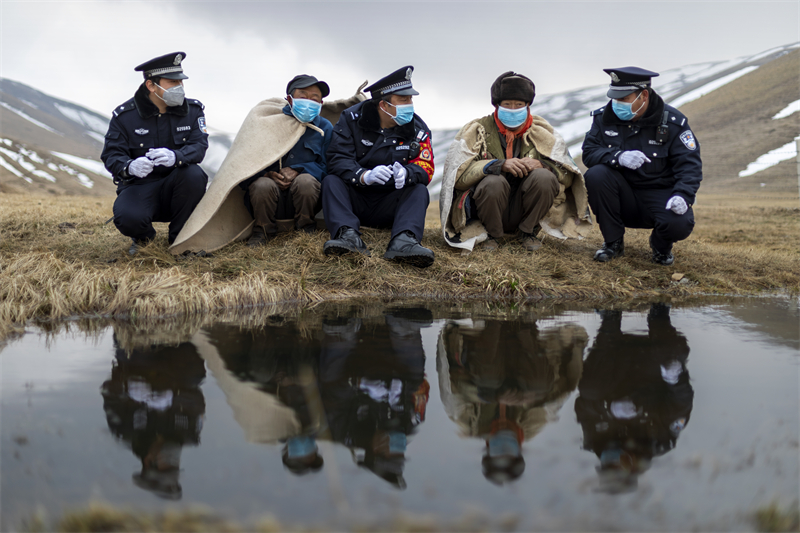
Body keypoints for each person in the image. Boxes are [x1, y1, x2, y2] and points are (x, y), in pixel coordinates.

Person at [581, 67, 702, 265]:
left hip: (660, 194)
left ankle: (661, 247)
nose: (617, 104)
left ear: (643, 95)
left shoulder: (673, 122)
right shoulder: (604, 118)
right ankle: (613, 244)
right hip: (621, 193)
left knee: (680, 224)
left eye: (624, 99)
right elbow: (589, 152)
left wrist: (683, 195)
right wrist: (617, 156)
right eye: (615, 98)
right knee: (596, 175)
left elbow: (690, 165)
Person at [321, 66, 435, 267]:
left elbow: (426, 166)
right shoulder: (350, 119)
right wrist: (362, 175)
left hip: (391, 204)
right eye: (403, 100)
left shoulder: (418, 129)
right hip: (356, 200)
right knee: (331, 181)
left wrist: (408, 173)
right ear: (383, 104)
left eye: (410, 99)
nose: (410, 105)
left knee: (418, 189)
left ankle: (404, 240)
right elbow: (337, 158)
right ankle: (347, 235)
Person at [574, 304, 694, 493]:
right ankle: (659, 315)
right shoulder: (661, 440)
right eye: (617, 467)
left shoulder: (596, 440)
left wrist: (608, 409)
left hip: (616, 361)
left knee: (590, 389)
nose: (612, 464)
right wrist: (675, 378)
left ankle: (611, 318)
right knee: (673, 354)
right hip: (653, 368)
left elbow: (583, 406)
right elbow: (681, 403)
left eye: (608, 468)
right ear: (632, 467)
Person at [101, 52, 209, 255]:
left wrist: (177, 157)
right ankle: (143, 238)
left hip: (178, 185)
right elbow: (111, 154)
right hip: (140, 187)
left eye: (181, 82)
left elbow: (199, 146)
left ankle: (181, 241)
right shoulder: (125, 116)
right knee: (127, 218)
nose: (179, 88)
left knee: (194, 174)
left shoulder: (193, 111)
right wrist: (129, 166)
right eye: (172, 82)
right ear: (151, 86)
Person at [239, 75, 333, 246]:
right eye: (303, 97)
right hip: (269, 198)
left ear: (321, 104)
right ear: (289, 99)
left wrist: (299, 170)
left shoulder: (325, 128)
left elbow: (329, 166)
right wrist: (267, 174)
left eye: (315, 98)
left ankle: (305, 229)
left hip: (305, 198)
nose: (308, 102)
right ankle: (263, 231)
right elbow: (244, 165)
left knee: (306, 181)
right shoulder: (268, 123)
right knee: (262, 184)